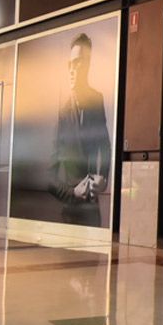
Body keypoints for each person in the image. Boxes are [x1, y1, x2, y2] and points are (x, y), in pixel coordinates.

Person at [49, 33, 111, 227]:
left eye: (78, 63)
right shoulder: (62, 113)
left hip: (93, 210)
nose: (73, 69)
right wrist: (72, 192)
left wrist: (104, 177)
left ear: (88, 65)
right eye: (70, 64)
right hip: (71, 212)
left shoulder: (97, 100)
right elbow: (48, 177)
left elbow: (105, 146)